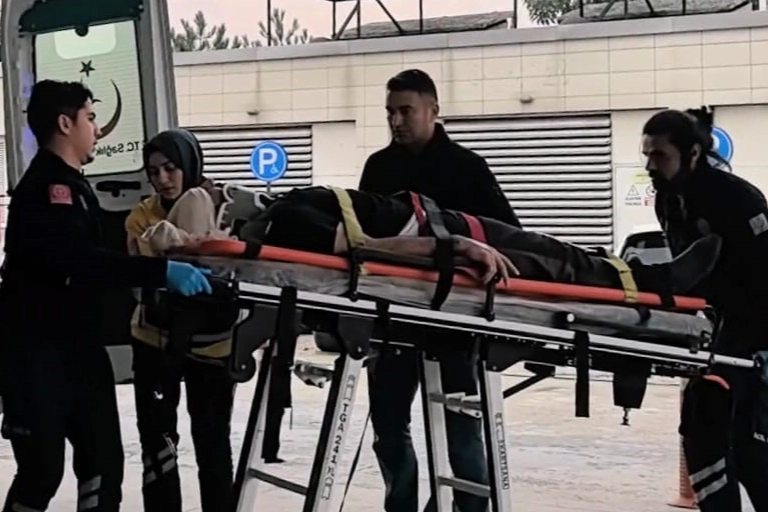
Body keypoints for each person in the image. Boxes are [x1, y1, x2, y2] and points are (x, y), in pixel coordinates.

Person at [0, 79, 212, 512]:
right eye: (91, 117)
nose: (97, 129)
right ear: (66, 123)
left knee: (103, 467)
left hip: (79, 352)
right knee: (41, 472)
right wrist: (161, 272)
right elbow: (79, 260)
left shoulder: (73, 187)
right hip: (36, 357)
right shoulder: (46, 191)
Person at [359, 68, 518, 512]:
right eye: (390, 112)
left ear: (433, 111)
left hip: (454, 321)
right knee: (388, 427)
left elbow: (506, 235)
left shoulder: (466, 168)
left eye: (406, 111)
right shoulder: (379, 167)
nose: (396, 121)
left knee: (460, 428)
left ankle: (467, 507)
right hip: (392, 318)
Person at [641, 107, 768, 512]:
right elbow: (688, 273)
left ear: (692, 153)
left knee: (747, 443)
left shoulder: (737, 199)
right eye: (647, 154)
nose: (650, 165)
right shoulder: (668, 200)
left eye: (659, 155)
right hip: (720, 330)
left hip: (756, 333)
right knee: (707, 431)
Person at [124, 129, 237, 512]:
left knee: (213, 443)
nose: (163, 179)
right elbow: (138, 263)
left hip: (212, 345)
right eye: (153, 172)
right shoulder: (142, 215)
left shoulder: (219, 205)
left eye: (170, 168)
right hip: (154, 338)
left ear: (189, 165)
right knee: (158, 444)